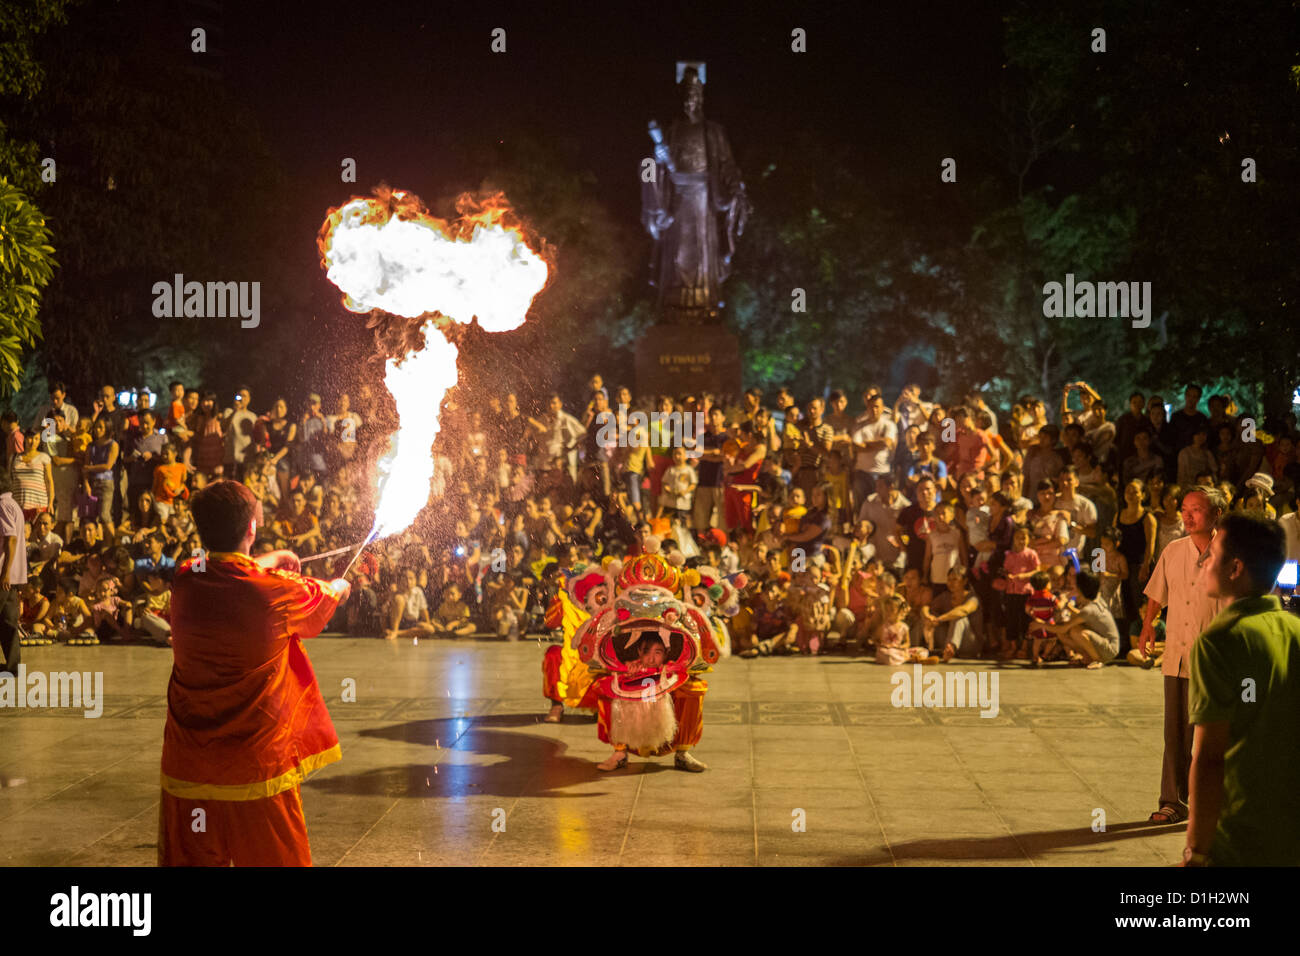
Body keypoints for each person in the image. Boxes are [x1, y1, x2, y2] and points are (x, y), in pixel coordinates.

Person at [158, 480, 350, 866]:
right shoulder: (277, 591)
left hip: (190, 767)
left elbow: (227, 569)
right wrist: (342, 584)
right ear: (251, 528)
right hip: (257, 770)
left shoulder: (185, 577)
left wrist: (273, 557)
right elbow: (327, 596)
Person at [1185, 514, 1300, 866]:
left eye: (1213, 552)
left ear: (1235, 568)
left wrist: (1197, 850)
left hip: (1240, 835)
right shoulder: (1293, 629)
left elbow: (1209, 758)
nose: (1203, 561)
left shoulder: (1220, 641)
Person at [1137, 487, 1230, 825]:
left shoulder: (1231, 554)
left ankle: (1216, 803)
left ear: (1216, 513)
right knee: (1175, 733)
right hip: (1176, 653)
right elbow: (1157, 592)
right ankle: (1172, 802)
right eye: (1185, 509)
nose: (1188, 516)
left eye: (1197, 510)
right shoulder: (1174, 550)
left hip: (1215, 659)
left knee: (1213, 734)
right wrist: (1148, 624)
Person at [1036, 570, 1119, 668]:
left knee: (1076, 632)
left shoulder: (1090, 609)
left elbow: (1063, 628)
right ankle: (1088, 657)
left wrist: (1040, 625)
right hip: (1103, 644)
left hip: (1110, 650)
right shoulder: (1095, 600)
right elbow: (1080, 616)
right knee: (1070, 631)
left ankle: (1097, 660)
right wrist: (1067, 604)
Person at [0, 472, 28, 673]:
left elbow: (10, 539)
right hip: (12, 574)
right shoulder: (14, 505)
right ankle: (13, 666)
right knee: (8, 621)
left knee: (8, 621)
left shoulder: (2, 505)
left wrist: (5, 573)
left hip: (3, 573)